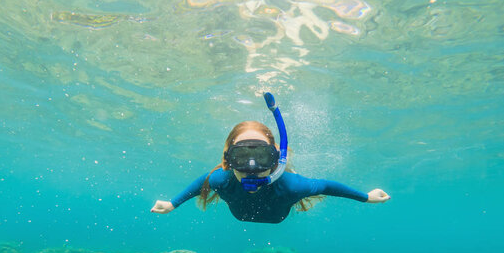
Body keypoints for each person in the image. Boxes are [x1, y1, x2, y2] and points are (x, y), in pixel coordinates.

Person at [151, 93, 390, 224]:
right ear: (228, 159)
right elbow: (204, 180)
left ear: (276, 158)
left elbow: (327, 185)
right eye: (242, 156)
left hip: (278, 213)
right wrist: (173, 203)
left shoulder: (292, 186)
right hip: (257, 210)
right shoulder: (222, 179)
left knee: (294, 182)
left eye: (261, 156)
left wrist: (366, 197)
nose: (252, 168)